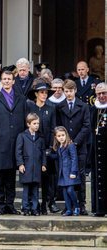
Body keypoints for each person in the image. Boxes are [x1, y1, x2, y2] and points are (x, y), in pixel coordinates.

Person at [0, 70, 27, 215]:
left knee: (11, 176)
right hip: (0, 142)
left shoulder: (21, 99)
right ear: (1, 81)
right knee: (0, 176)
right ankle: (1, 205)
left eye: (9, 79)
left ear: (13, 81)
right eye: (4, 79)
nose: (6, 81)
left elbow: (24, 120)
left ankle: (10, 204)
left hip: (16, 142)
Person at [56, 79, 91, 215]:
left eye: (71, 91)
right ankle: (68, 205)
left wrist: (75, 142)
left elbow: (86, 126)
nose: (69, 94)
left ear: (75, 91)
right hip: (64, 147)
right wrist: (64, 142)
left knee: (80, 175)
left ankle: (81, 204)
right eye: (66, 91)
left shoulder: (83, 106)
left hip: (79, 146)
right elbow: (59, 126)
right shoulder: (60, 107)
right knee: (65, 175)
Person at [27, 82, 59, 214]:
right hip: (33, 147)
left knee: (48, 178)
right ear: (36, 94)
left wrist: (51, 147)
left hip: (47, 148)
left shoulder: (51, 109)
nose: (44, 95)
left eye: (46, 92)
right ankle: (32, 204)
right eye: (41, 92)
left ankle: (47, 203)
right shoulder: (30, 108)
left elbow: (53, 129)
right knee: (33, 177)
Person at [15, 113, 46, 216]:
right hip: (26, 166)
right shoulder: (22, 136)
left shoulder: (40, 138)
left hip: (36, 166)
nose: (37, 125)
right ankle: (25, 208)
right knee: (26, 189)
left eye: (38, 123)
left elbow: (43, 152)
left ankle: (35, 208)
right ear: (28, 124)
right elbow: (18, 151)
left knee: (35, 189)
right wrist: (20, 164)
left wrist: (43, 164)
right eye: (34, 123)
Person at [53, 126, 81, 216]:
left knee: (70, 190)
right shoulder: (59, 147)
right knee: (65, 192)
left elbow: (74, 159)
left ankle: (76, 206)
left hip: (70, 172)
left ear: (66, 135)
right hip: (62, 173)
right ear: (56, 137)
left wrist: (73, 172)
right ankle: (69, 209)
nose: (61, 137)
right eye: (59, 136)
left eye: (63, 135)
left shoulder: (70, 145)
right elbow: (59, 158)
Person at [90, 83, 107, 216]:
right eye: (99, 93)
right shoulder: (93, 109)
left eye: (104, 93)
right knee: (98, 179)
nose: (101, 96)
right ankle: (99, 209)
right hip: (96, 151)